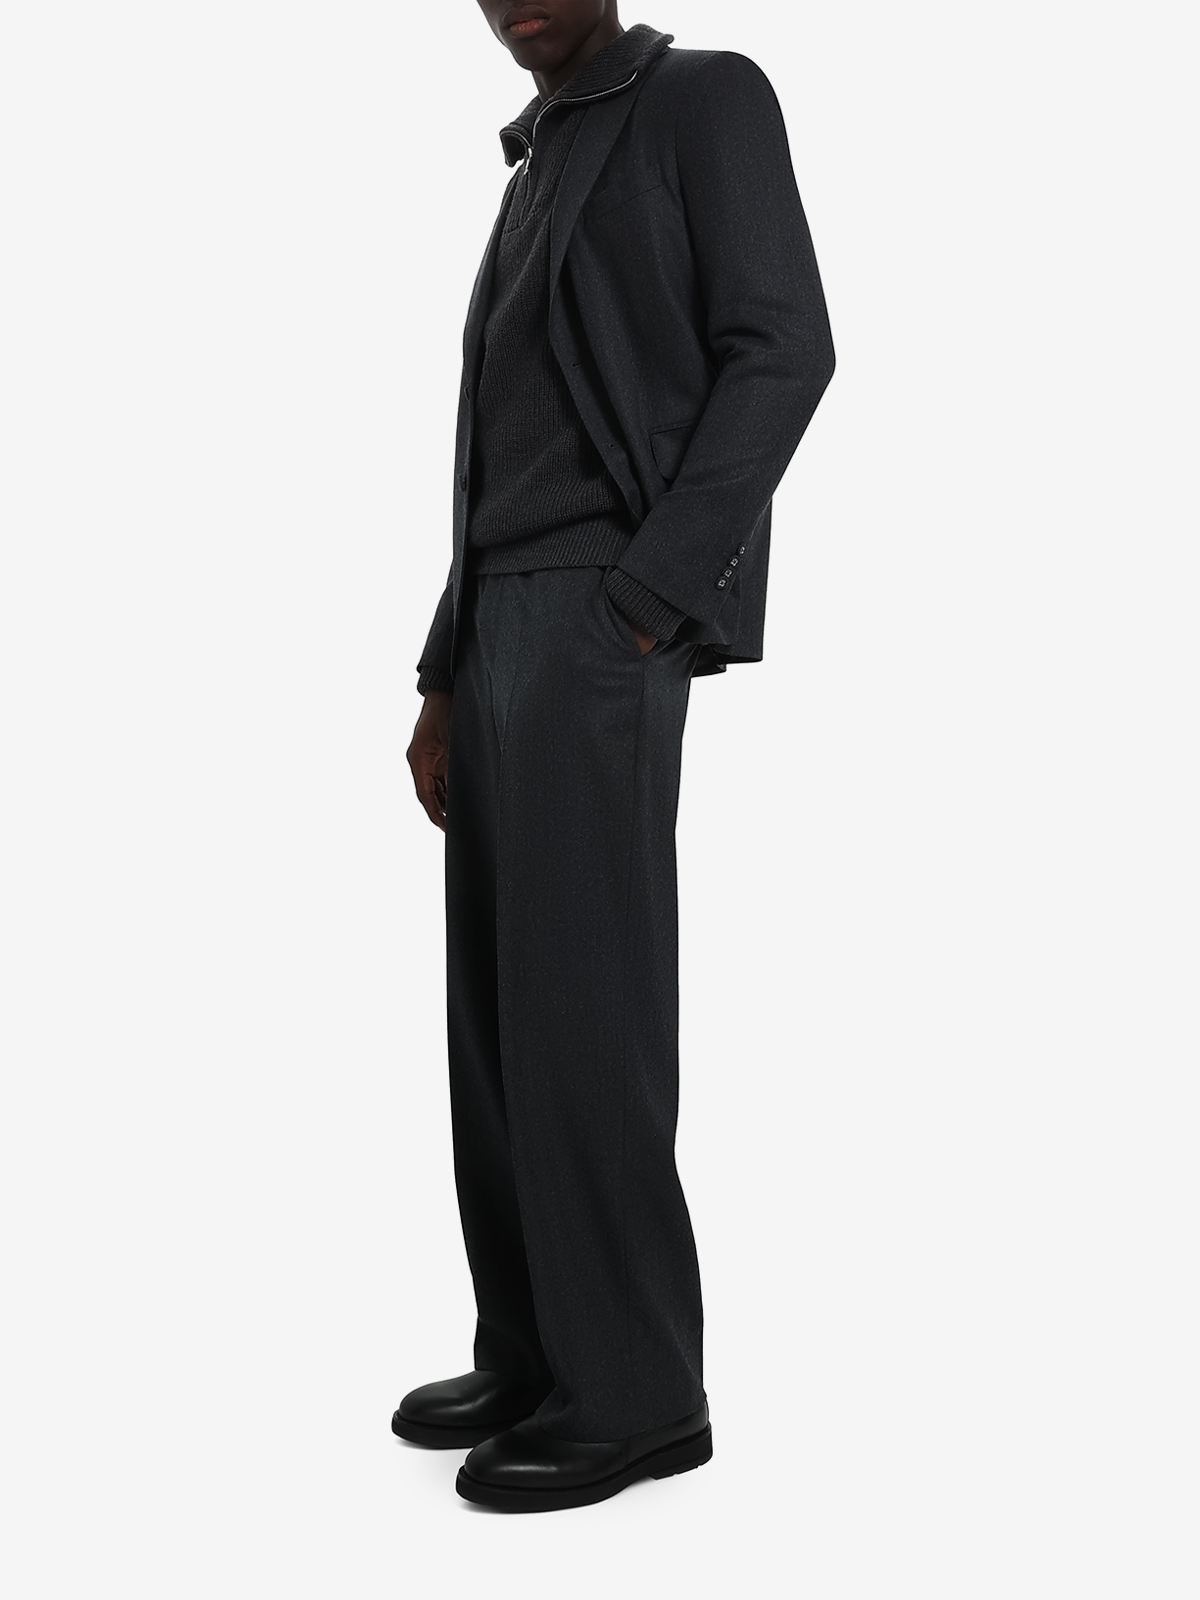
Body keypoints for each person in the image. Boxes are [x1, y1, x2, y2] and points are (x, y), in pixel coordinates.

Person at [398, 1, 834, 1512]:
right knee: (495, 1025)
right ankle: (534, 1352)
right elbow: (500, 449)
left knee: (587, 1014)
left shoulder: (703, 98)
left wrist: (651, 594)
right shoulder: (536, 159)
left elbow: (784, 348)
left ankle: (640, 1393)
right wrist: (442, 672)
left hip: (599, 612)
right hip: (499, 626)